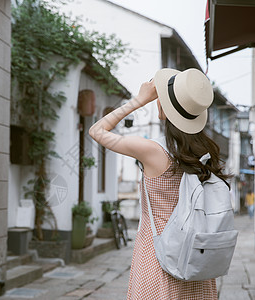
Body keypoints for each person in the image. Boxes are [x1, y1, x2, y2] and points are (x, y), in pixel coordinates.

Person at [89, 68, 230, 299]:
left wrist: (139, 100)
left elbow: (97, 131)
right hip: (195, 260)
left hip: (159, 258)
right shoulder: (204, 153)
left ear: (164, 108)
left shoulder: (152, 151)